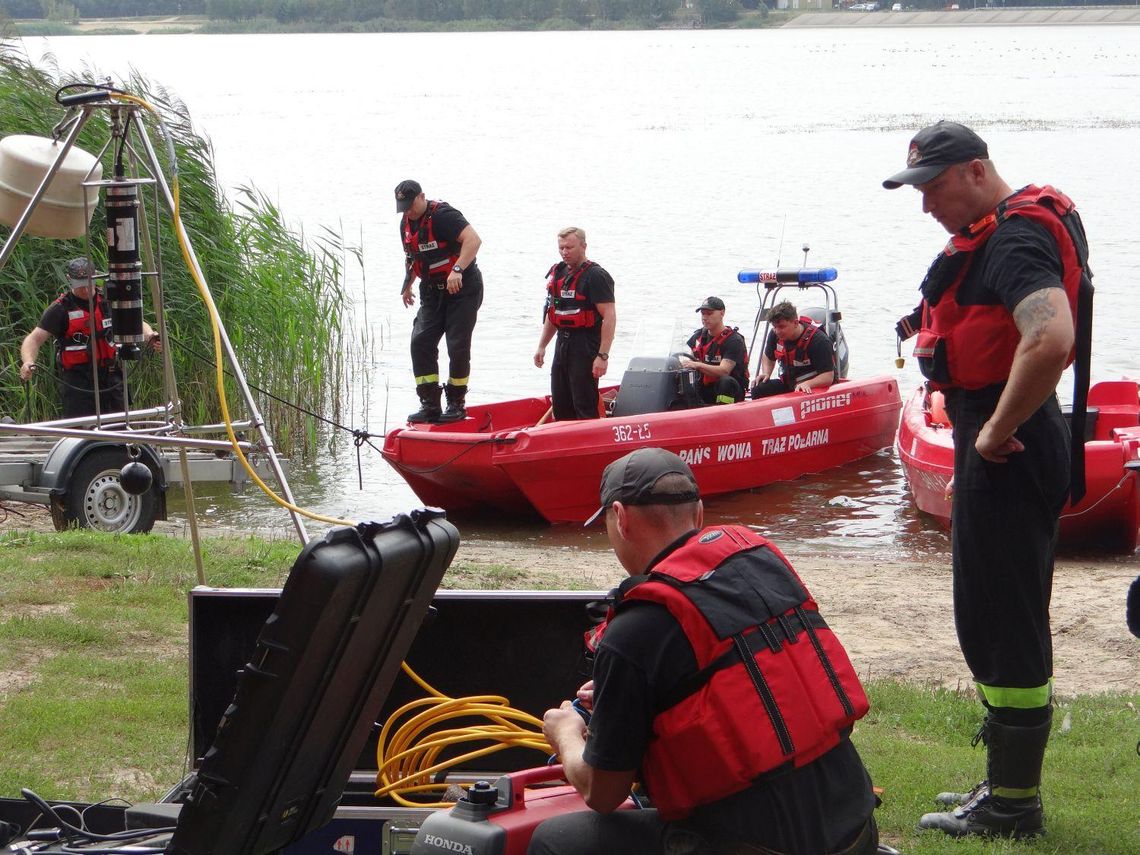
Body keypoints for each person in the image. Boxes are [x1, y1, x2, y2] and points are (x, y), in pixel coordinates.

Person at [883, 120, 1092, 839]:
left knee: (1001, 621)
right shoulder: (998, 227)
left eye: (933, 185)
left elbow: (1052, 336)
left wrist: (997, 427)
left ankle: (1013, 804)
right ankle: (1008, 785)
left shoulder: (1014, 239)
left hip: (1010, 443)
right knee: (999, 612)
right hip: (1009, 430)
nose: (926, 204)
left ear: (976, 170)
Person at [528, 447, 879, 855]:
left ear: (620, 519)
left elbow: (602, 793)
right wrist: (632, 697)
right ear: (698, 514)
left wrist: (565, 734)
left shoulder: (632, 631)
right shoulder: (762, 565)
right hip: (855, 834)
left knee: (552, 840)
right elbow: (733, 682)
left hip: (762, 849)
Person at [19, 257, 159, 419]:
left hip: (111, 377)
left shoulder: (108, 301)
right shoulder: (60, 309)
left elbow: (135, 321)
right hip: (78, 383)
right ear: (69, 280)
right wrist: (28, 361)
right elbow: (34, 339)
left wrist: (150, 335)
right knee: (84, 431)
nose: (85, 289)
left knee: (120, 428)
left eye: (88, 283)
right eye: (80, 285)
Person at [396, 179, 483, 424]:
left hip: (462, 288)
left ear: (422, 197)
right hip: (431, 291)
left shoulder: (443, 215)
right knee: (420, 341)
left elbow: (473, 240)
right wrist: (408, 285)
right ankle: (430, 404)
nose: (408, 211)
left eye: (411, 205)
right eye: (403, 207)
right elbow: (413, 256)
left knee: (457, 345)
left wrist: (457, 269)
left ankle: (456, 403)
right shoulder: (405, 223)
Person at [533, 227, 616, 421]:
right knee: (560, 399)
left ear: (583, 246)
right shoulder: (559, 272)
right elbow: (553, 314)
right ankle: (562, 436)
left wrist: (602, 356)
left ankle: (592, 437)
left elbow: (610, 317)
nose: (564, 252)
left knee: (583, 400)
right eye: (561, 248)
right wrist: (542, 346)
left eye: (569, 247)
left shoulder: (596, 276)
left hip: (586, 344)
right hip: (563, 342)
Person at [749, 300, 835, 399]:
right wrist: (766, 373)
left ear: (795, 323)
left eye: (782, 327)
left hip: (813, 387)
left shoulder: (819, 341)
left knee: (801, 392)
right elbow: (768, 357)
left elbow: (828, 377)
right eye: (774, 327)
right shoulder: (774, 335)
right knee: (758, 388)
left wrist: (808, 384)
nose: (777, 331)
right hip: (789, 384)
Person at [678, 296, 748, 405]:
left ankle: (724, 411)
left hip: (731, 390)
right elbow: (691, 361)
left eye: (709, 313)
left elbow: (724, 371)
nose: (705, 318)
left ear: (722, 313)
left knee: (725, 381)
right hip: (706, 387)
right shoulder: (698, 336)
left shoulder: (734, 340)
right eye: (703, 314)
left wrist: (698, 365)